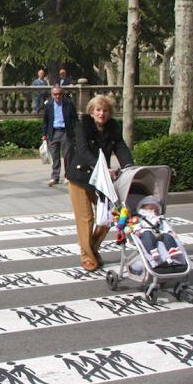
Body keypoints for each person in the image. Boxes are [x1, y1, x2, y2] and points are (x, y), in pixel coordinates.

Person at [66, 94, 133, 271]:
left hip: (102, 180)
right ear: (91, 111)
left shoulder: (112, 128)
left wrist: (129, 167)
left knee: (110, 217)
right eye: (98, 110)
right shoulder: (82, 125)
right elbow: (82, 151)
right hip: (80, 177)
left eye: (105, 110)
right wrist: (102, 167)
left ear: (109, 113)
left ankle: (92, 249)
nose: (101, 113)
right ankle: (87, 257)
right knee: (86, 218)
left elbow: (121, 147)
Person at [131, 196, 186, 270]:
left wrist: (169, 231)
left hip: (159, 232)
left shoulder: (158, 218)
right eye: (150, 208)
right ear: (143, 208)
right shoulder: (140, 218)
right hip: (146, 232)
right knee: (147, 235)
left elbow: (165, 225)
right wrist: (137, 230)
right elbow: (136, 225)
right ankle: (153, 251)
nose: (153, 210)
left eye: (155, 209)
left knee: (167, 236)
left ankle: (172, 249)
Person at [41, 84, 78, 186]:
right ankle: (55, 177)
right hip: (53, 133)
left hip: (66, 132)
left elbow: (75, 119)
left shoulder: (69, 104)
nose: (57, 96)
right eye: (55, 94)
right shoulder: (49, 105)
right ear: (52, 95)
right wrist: (44, 134)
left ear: (62, 94)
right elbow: (45, 121)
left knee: (68, 156)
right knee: (55, 156)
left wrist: (76, 133)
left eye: (59, 94)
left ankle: (68, 176)